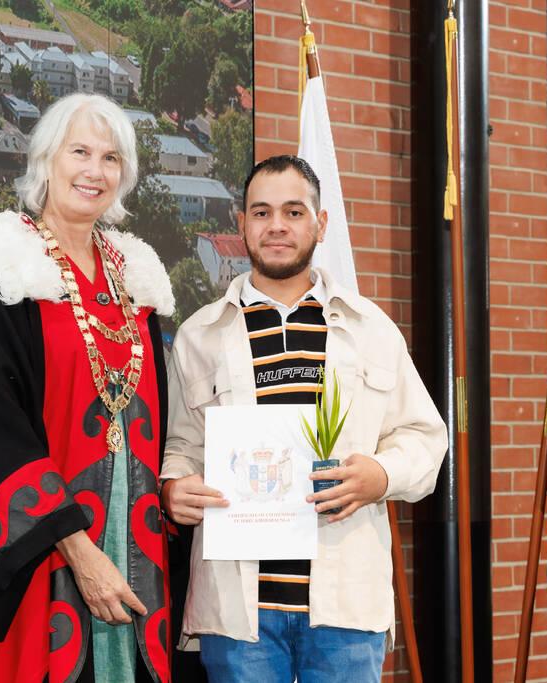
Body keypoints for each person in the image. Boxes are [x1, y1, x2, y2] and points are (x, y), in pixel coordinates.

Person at [158, 155, 448, 683]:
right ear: (240, 223)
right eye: (262, 212)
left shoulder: (370, 330)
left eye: (294, 212)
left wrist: (380, 474)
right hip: (238, 615)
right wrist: (174, 486)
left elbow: (426, 439)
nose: (277, 226)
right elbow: (181, 447)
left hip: (343, 609)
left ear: (320, 223)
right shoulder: (200, 336)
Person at [0, 93, 175, 683]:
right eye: (81, 152)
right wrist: (77, 547)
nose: (96, 171)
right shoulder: (0, 271)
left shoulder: (134, 278)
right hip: (41, 553)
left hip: (133, 540)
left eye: (112, 158)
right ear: (46, 160)